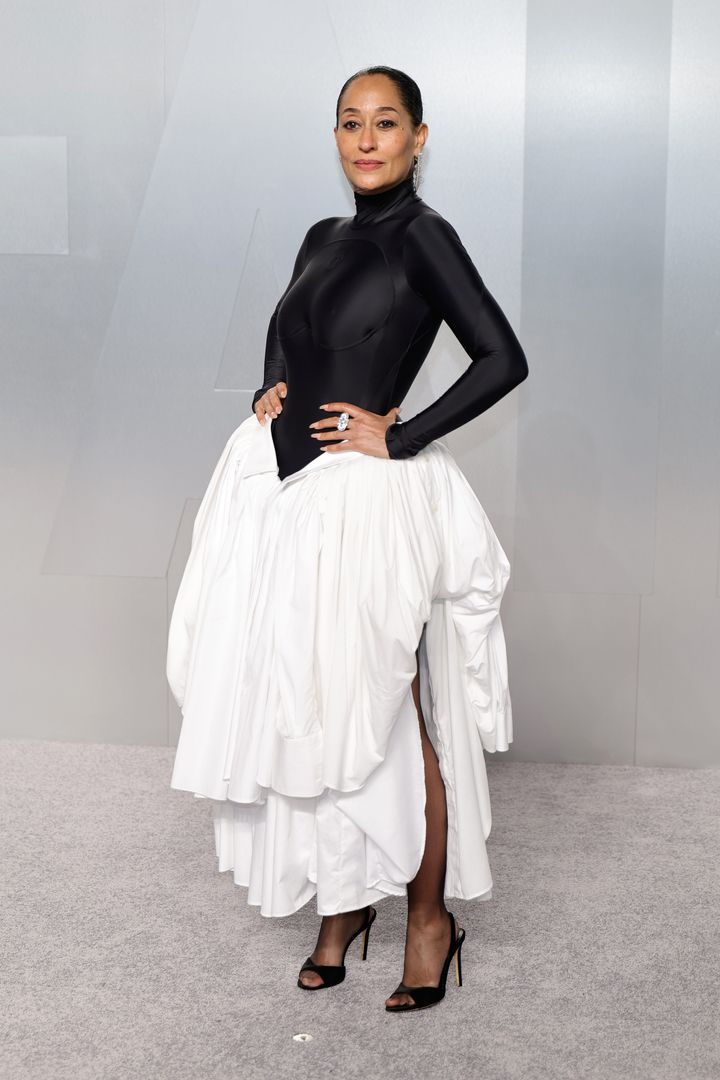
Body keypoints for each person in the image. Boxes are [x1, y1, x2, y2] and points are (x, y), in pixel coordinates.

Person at [167, 65, 528, 1014]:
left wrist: (400, 436)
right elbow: (290, 331)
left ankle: (429, 919)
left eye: (386, 123)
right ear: (336, 136)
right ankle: (343, 904)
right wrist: (270, 387)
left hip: (363, 502)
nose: (366, 141)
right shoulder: (322, 237)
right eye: (350, 123)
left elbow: (503, 357)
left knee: (384, 708)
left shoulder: (424, 236)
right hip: (285, 495)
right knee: (307, 696)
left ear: (418, 137)